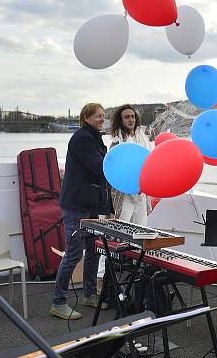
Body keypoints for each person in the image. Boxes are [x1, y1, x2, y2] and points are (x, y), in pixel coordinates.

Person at [50, 102, 112, 320]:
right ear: (86, 118)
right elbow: (99, 167)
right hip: (76, 204)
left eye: (103, 116)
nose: (101, 119)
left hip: (91, 204)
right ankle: (58, 302)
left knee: (94, 250)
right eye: (98, 116)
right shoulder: (83, 138)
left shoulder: (95, 138)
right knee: (74, 253)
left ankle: (89, 294)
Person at [108, 104, 152, 225]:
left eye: (133, 116)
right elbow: (116, 169)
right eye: (127, 117)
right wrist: (132, 184)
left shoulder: (143, 139)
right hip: (124, 193)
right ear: (121, 121)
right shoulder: (117, 143)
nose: (131, 119)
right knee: (123, 226)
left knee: (142, 227)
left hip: (141, 191)